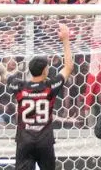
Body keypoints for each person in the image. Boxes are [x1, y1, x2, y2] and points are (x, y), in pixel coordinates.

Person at [8, 25, 73, 170]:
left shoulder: (20, 87)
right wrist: (66, 40)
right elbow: (68, 67)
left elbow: (3, 73)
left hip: (24, 141)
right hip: (45, 142)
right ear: (45, 70)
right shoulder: (50, 86)